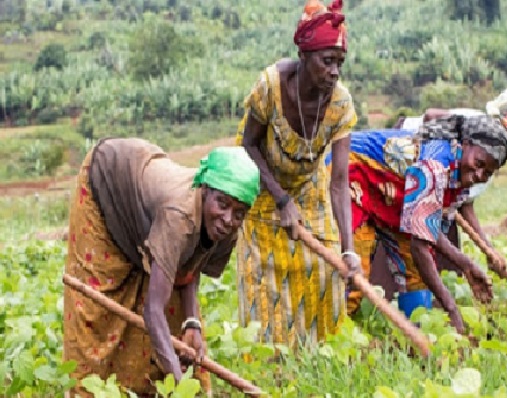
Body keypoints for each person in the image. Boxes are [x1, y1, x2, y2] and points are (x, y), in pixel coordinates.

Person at [63, 138, 260, 396]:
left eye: (238, 213)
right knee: (98, 308)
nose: (228, 219)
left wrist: (192, 322)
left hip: (147, 195)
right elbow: (152, 310)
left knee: (175, 310)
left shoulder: (228, 223)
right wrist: (181, 386)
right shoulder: (178, 216)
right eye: (222, 204)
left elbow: (190, 265)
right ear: (205, 190)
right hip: (107, 181)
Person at [236, 0, 359, 348]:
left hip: (309, 191)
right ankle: (275, 374)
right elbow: (248, 145)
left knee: (326, 272)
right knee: (266, 291)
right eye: (327, 61)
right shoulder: (271, 87)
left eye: (340, 63)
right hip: (262, 188)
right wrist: (279, 198)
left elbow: (338, 183)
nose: (334, 71)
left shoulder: (340, 104)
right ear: (304, 55)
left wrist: (348, 251)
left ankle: (322, 365)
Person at [331, 114, 507, 333]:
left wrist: (466, 264)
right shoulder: (435, 166)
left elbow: (429, 228)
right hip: (350, 179)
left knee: (416, 274)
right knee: (352, 274)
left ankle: (416, 342)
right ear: (465, 144)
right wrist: (451, 308)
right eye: (479, 164)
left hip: (388, 200)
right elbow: (420, 245)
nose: (479, 174)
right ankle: (329, 345)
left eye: (488, 173)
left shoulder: (459, 178)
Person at [384, 88, 507, 281]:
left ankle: (435, 296)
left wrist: (488, 250)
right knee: (406, 236)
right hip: (400, 154)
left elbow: (465, 202)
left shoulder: (490, 155)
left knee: (444, 244)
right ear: (502, 126)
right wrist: (433, 167)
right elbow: (430, 115)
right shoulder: (475, 126)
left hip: (430, 179)